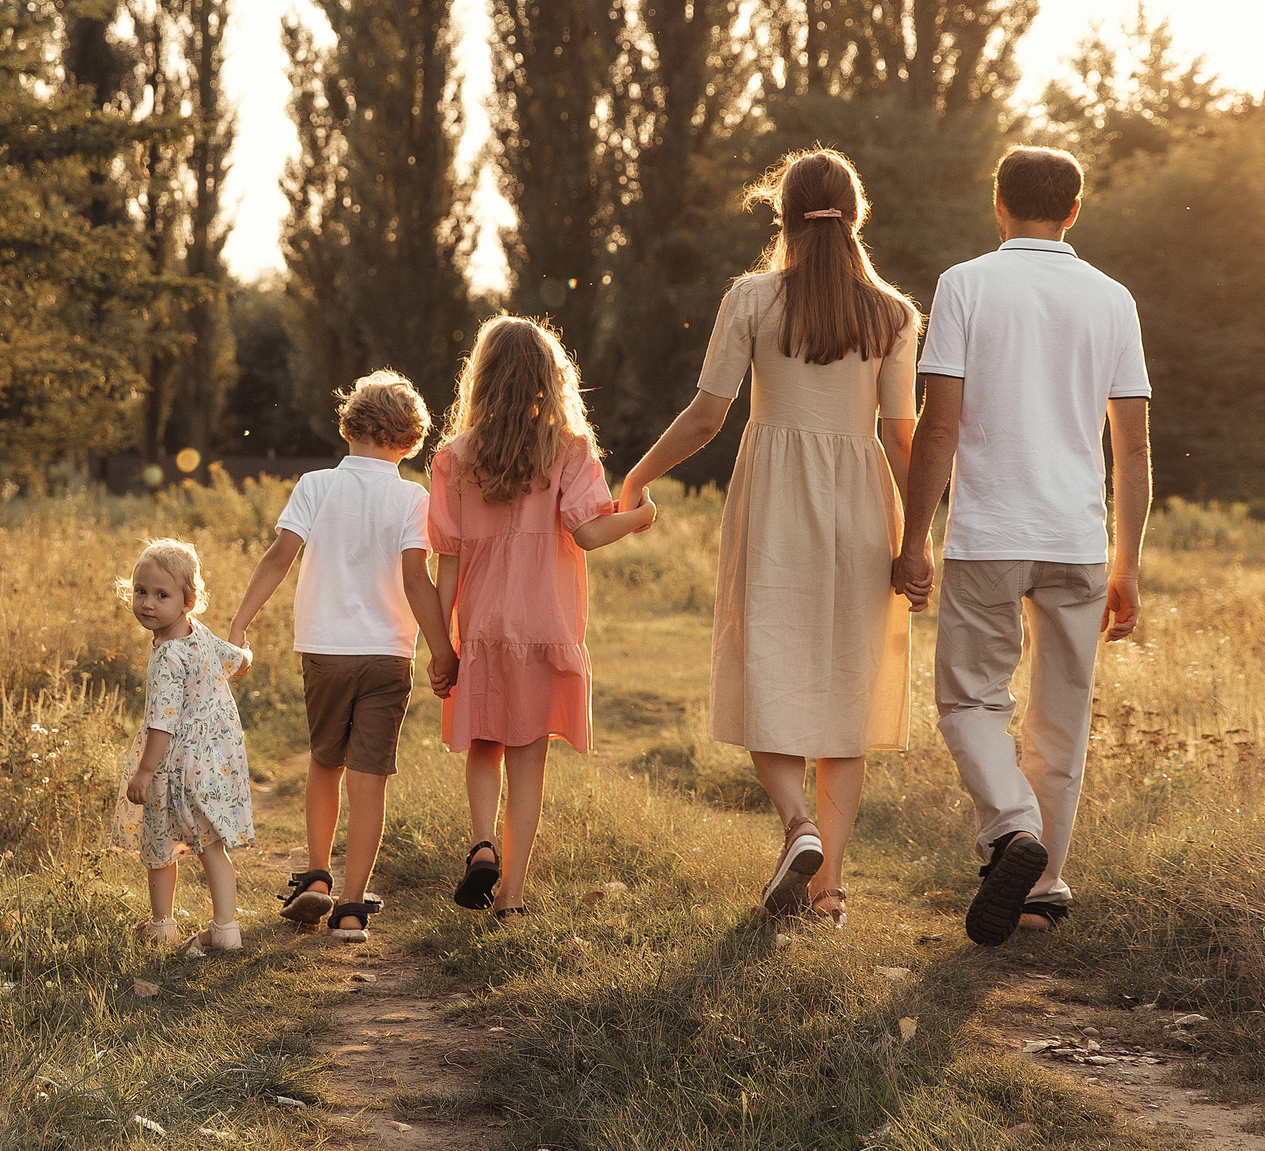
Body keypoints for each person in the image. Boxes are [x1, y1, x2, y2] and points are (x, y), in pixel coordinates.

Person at [617, 149, 921, 925]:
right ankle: (829, 895)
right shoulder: (892, 313)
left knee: (767, 665)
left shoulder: (752, 298)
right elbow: (903, 437)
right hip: (861, 504)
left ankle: (799, 824)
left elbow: (707, 416)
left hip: (776, 498)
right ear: (857, 213)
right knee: (847, 690)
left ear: (780, 214)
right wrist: (916, 538)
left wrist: (637, 476)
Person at [890, 145, 1152, 947]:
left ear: (997, 204)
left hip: (988, 534)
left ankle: (1011, 830)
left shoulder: (965, 285)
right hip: (1077, 536)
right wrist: (1128, 563)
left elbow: (939, 426)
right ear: (1075, 209)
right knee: (1061, 715)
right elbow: (1133, 450)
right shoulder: (1113, 299)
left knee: (969, 700)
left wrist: (913, 536)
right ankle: (1042, 891)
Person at [428, 317, 656, 919]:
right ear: (548, 380)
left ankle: (482, 845)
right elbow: (586, 532)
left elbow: (446, 560)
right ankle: (512, 897)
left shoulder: (455, 457)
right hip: (545, 624)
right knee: (529, 756)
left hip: (480, 627)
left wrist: (442, 645)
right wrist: (638, 516)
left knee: (484, 744)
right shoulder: (569, 448)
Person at [228, 372, 457, 943]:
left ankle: (316, 878)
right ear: (410, 442)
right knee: (369, 776)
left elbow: (279, 558)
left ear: (348, 425)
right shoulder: (412, 496)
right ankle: (352, 909)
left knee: (324, 761)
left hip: (324, 650)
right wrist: (442, 649)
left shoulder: (314, 485)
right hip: (386, 656)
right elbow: (416, 578)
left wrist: (239, 624)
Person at [113, 538, 255, 957]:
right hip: (213, 762)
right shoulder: (202, 636)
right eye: (141, 592)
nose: (148, 604)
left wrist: (144, 771)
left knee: (158, 843)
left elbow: (162, 722)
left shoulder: (167, 657)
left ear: (188, 601)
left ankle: (162, 925)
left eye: (162, 595)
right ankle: (226, 929)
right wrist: (247, 653)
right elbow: (238, 660)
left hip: (174, 763)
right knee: (212, 844)